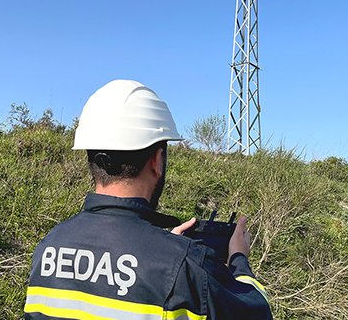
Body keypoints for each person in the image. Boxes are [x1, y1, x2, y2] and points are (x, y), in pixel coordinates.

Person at [23, 79, 272, 319]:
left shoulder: (48, 247)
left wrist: (163, 247)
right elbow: (257, 309)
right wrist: (239, 259)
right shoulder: (185, 267)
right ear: (156, 161)